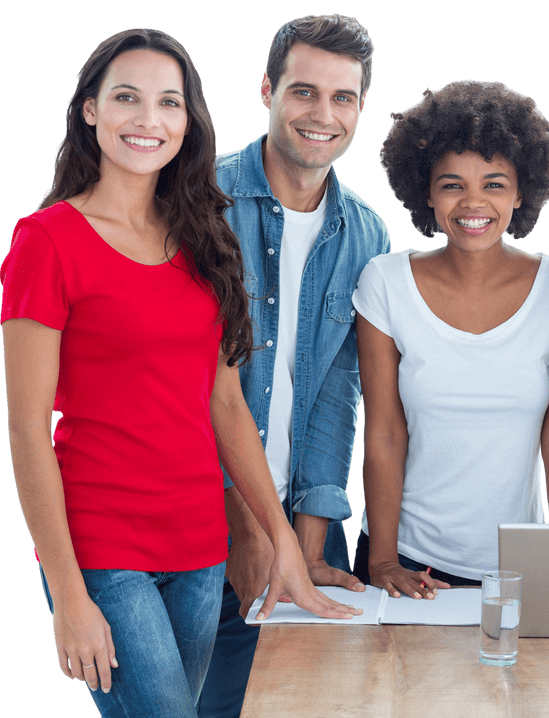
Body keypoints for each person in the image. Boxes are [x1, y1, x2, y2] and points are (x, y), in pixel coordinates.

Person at [0, 28, 358, 718]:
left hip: (199, 546)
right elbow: (25, 428)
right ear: (89, 111)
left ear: (187, 122)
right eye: (127, 98)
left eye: (169, 103)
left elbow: (226, 406)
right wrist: (67, 593)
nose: (148, 120)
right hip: (103, 543)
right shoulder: (45, 242)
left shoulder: (203, 236)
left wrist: (280, 537)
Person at [197, 14, 391, 718]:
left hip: (303, 517)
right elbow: (188, 385)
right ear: (266, 91)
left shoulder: (366, 231)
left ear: (361, 106)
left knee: (307, 704)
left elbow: (340, 397)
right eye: (303, 92)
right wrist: (249, 531)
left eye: (343, 98)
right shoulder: (198, 200)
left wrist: (307, 541)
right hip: (201, 514)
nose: (323, 115)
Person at [353, 79, 549, 597]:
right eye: (452, 184)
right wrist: (384, 560)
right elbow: (385, 433)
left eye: (495, 184)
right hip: (407, 561)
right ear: (427, 193)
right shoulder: (386, 282)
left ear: (522, 191)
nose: (472, 203)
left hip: (520, 567)